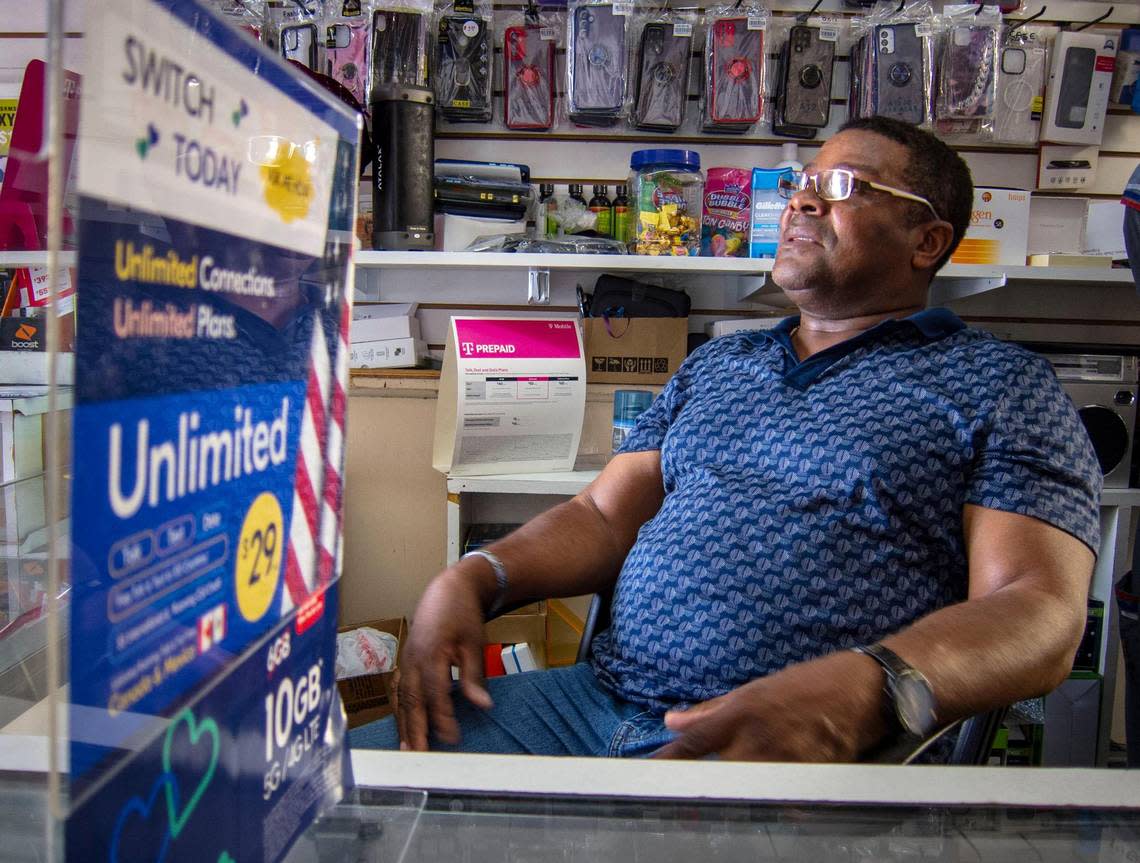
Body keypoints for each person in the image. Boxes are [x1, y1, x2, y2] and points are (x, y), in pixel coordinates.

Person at [351, 117, 1101, 762]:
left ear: (926, 239)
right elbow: (604, 517)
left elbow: (1039, 608)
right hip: (589, 705)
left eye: (846, 187)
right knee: (323, 791)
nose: (804, 197)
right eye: (805, 181)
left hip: (782, 749)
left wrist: (877, 681)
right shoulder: (719, 362)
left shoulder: (999, 384)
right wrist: (473, 576)